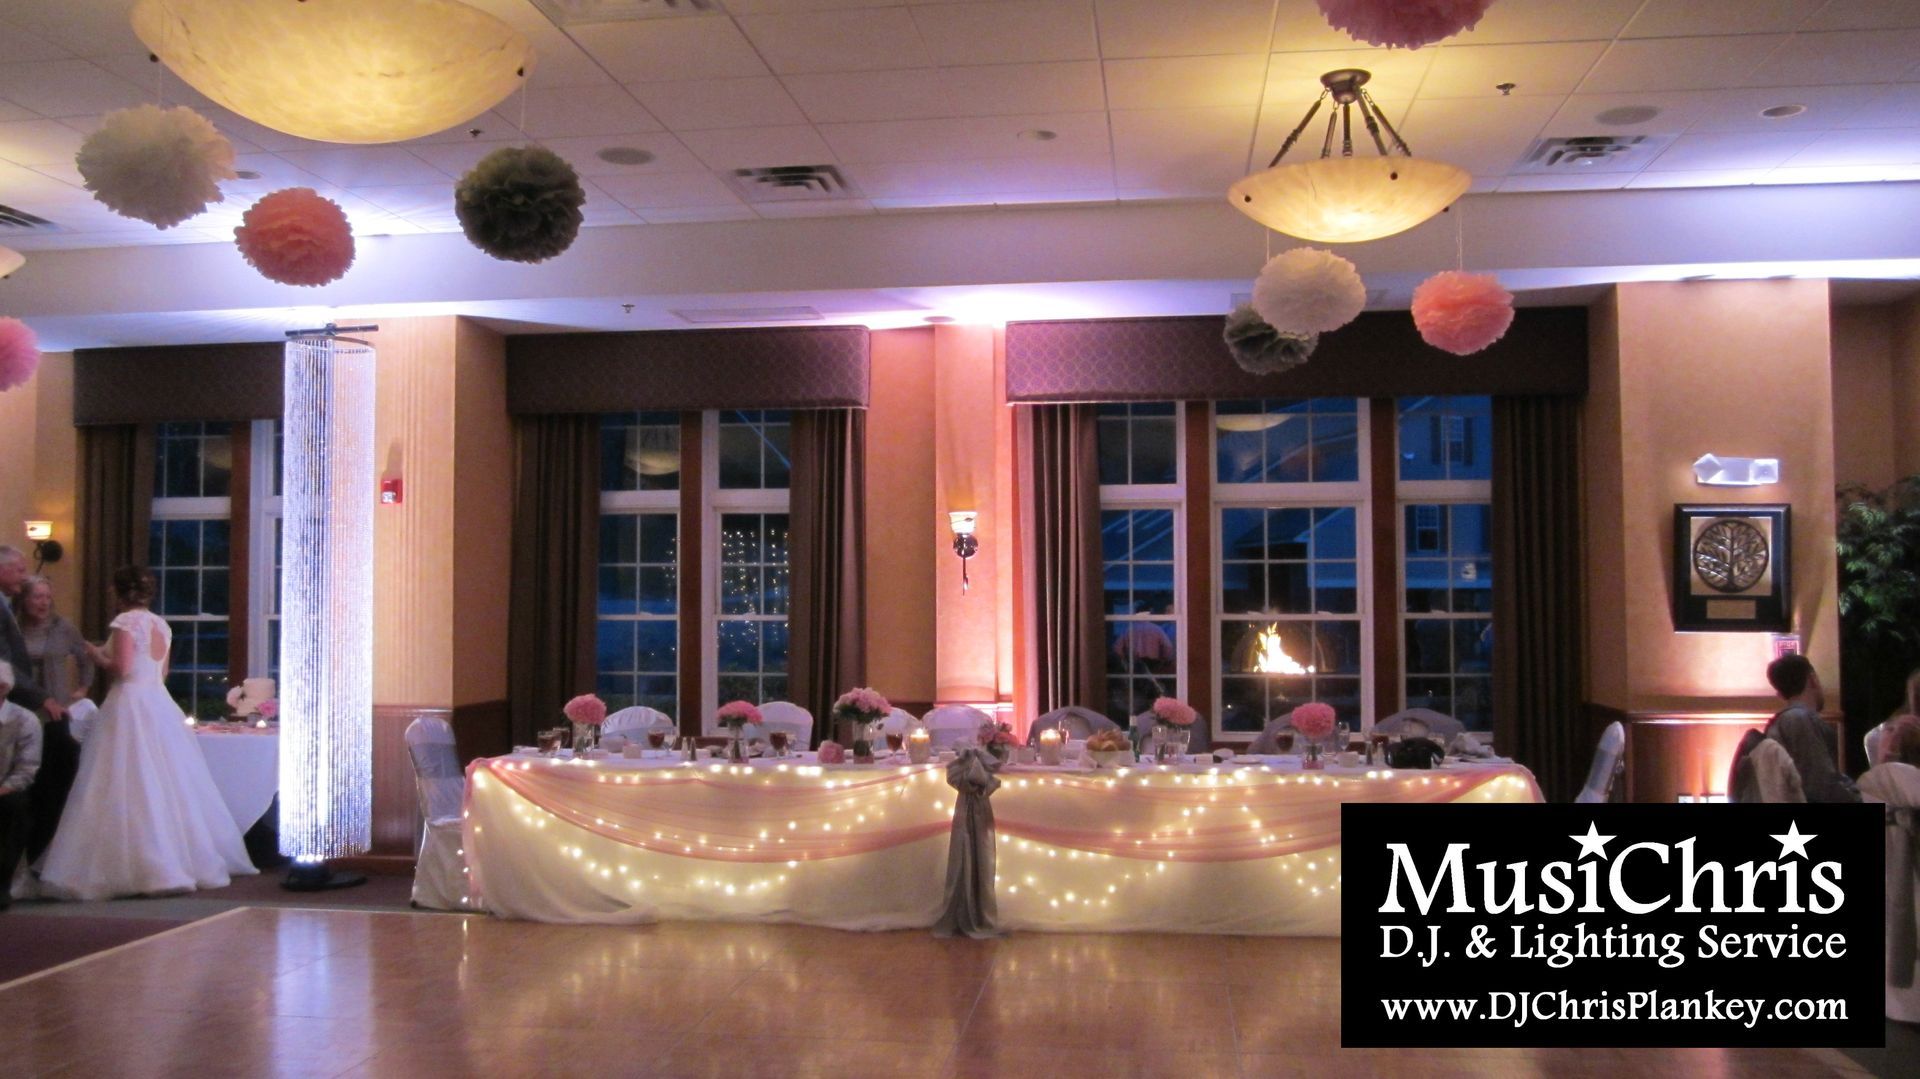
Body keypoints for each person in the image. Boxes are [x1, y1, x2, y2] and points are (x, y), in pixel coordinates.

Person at [35, 566, 255, 900]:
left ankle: (137, 865)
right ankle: (179, 857)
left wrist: (95, 653)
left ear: (118, 592)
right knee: (165, 779)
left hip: (129, 702)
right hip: (158, 702)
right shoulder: (161, 625)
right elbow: (161, 673)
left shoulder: (126, 623)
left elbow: (121, 668)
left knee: (123, 778)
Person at [0, 547, 69, 862]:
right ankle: (36, 850)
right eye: (18, 570)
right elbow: (5, 663)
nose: (23, 576)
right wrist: (40, 697)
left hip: (24, 702)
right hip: (18, 701)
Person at [1734, 654, 1859, 804]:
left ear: (1780, 694)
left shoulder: (1779, 724)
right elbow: (1821, 784)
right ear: (1812, 679)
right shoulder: (1799, 720)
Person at [0, 661, 41, 911]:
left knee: (14, 808)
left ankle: (1, 885)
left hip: (6, 790)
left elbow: (26, 771)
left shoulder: (24, 720)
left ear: (3, 687)